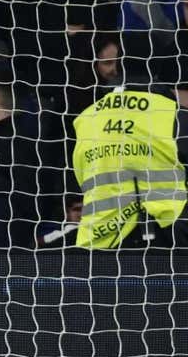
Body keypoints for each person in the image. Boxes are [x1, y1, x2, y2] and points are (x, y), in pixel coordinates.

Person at [71, 87, 187, 248]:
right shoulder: (170, 111)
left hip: (99, 235)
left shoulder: (86, 117)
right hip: (170, 228)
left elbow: (80, 175)